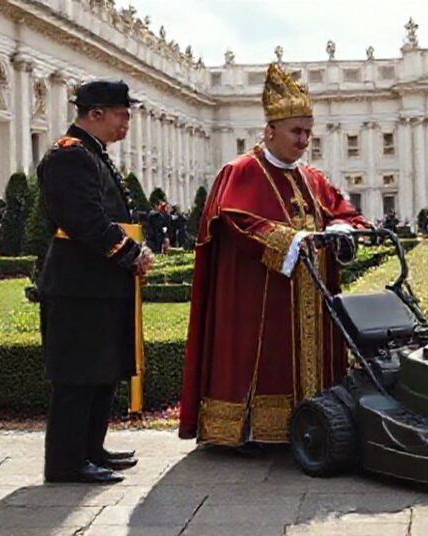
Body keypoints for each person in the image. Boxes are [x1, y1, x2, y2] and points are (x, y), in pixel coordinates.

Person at [178, 64, 368, 448]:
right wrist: (293, 241)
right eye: (296, 132)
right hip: (259, 298)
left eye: (307, 133)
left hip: (312, 296)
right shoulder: (241, 170)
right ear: (269, 131)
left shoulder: (311, 177)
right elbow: (234, 219)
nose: (303, 141)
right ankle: (252, 430)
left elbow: (345, 211)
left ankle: (316, 422)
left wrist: (342, 229)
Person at [36, 79, 153, 483]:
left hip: (98, 284)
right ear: (95, 114)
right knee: (77, 376)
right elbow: (83, 219)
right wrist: (130, 253)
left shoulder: (92, 154)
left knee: (101, 371)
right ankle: (66, 463)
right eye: (121, 116)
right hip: (78, 286)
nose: (126, 125)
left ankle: (91, 449)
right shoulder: (69, 156)